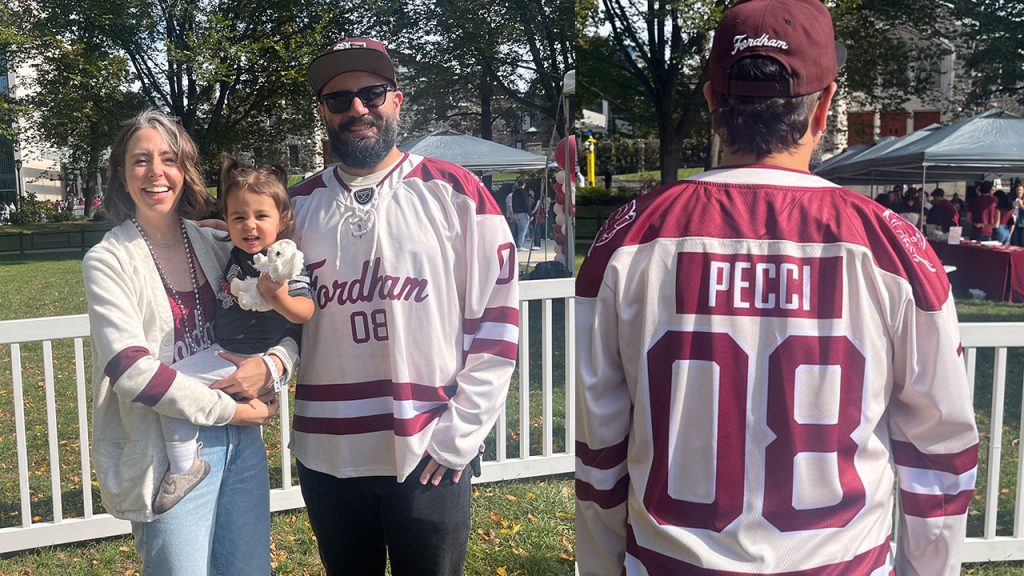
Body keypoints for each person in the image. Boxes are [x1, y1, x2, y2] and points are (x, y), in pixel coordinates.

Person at [575, 1, 979, 575]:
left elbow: (599, 450)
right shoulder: (894, 248)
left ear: (713, 103)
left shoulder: (628, 240)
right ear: (825, 107)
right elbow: (940, 453)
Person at [291, 37, 520, 575]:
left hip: (428, 448)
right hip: (328, 454)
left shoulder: (456, 193)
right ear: (324, 112)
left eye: (371, 93)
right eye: (339, 99)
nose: (357, 109)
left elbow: (497, 322)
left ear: (397, 99)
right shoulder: (294, 208)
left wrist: (459, 436)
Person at [83, 109, 297, 575]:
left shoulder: (215, 243)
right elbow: (130, 369)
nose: (155, 172)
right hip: (168, 458)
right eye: (140, 160)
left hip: (242, 445)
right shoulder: (109, 260)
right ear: (121, 173)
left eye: (168, 159)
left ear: (185, 171)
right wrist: (234, 409)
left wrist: (277, 367)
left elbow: (281, 320)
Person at [152, 155, 315, 514]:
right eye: (239, 217)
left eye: (261, 216)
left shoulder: (282, 262)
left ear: (282, 220)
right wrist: (213, 225)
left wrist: (280, 297)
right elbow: (213, 231)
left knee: (169, 386)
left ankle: (183, 466)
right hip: (223, 348)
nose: (249, 225)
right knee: (172, 387)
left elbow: (306, 311)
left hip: (250, 354)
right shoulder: (237, 251)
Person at [509, 177, 531, 249]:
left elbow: (512, 203)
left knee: (519, 229)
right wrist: (530, 213)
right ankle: (520, 245)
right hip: (523, 213)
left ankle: (518, 243)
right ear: (524, 184)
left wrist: (514, 212)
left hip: (516, 213)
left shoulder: (514, 193)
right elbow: (526, 203)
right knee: (523, 229)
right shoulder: (523, 192)